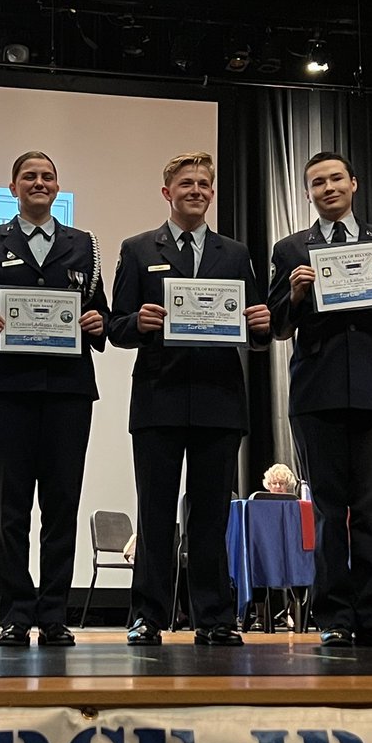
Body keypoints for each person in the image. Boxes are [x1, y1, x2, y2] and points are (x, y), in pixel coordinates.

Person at [108, 150, 271, 647]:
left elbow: (253, 324)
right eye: (186, 184)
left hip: (220, 402)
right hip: (159, 400)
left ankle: (215, 618)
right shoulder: (138, 249)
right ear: (167, 193)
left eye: (204, 183)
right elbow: (116, 326)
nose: (196, 190)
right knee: (155, 514)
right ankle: (147, 617)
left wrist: (261, 329)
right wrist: (139, 323)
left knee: (211, 516)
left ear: (211, 193)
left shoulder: (236, 253)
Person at [267, 151, 372, 649]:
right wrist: (292, 296)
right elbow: (277, 327)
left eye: (336, 178)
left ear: (353, 183)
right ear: (308, 193)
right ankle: (334, 617)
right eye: (317, 183)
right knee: (331, 511)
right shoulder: (291, 249)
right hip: (319, 392)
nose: (328, 188)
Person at [0, 151, 108, 648]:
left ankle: (54, 614)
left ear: (57, 187)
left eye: (47, 176)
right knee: (11, 507)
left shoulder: (84, 244)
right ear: (13, 186)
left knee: (62, 506)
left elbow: (99, 310)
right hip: (6, 390)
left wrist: (96, 322)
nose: (38, 183)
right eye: (29, 176)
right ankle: (16, 613)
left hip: (68, 392)